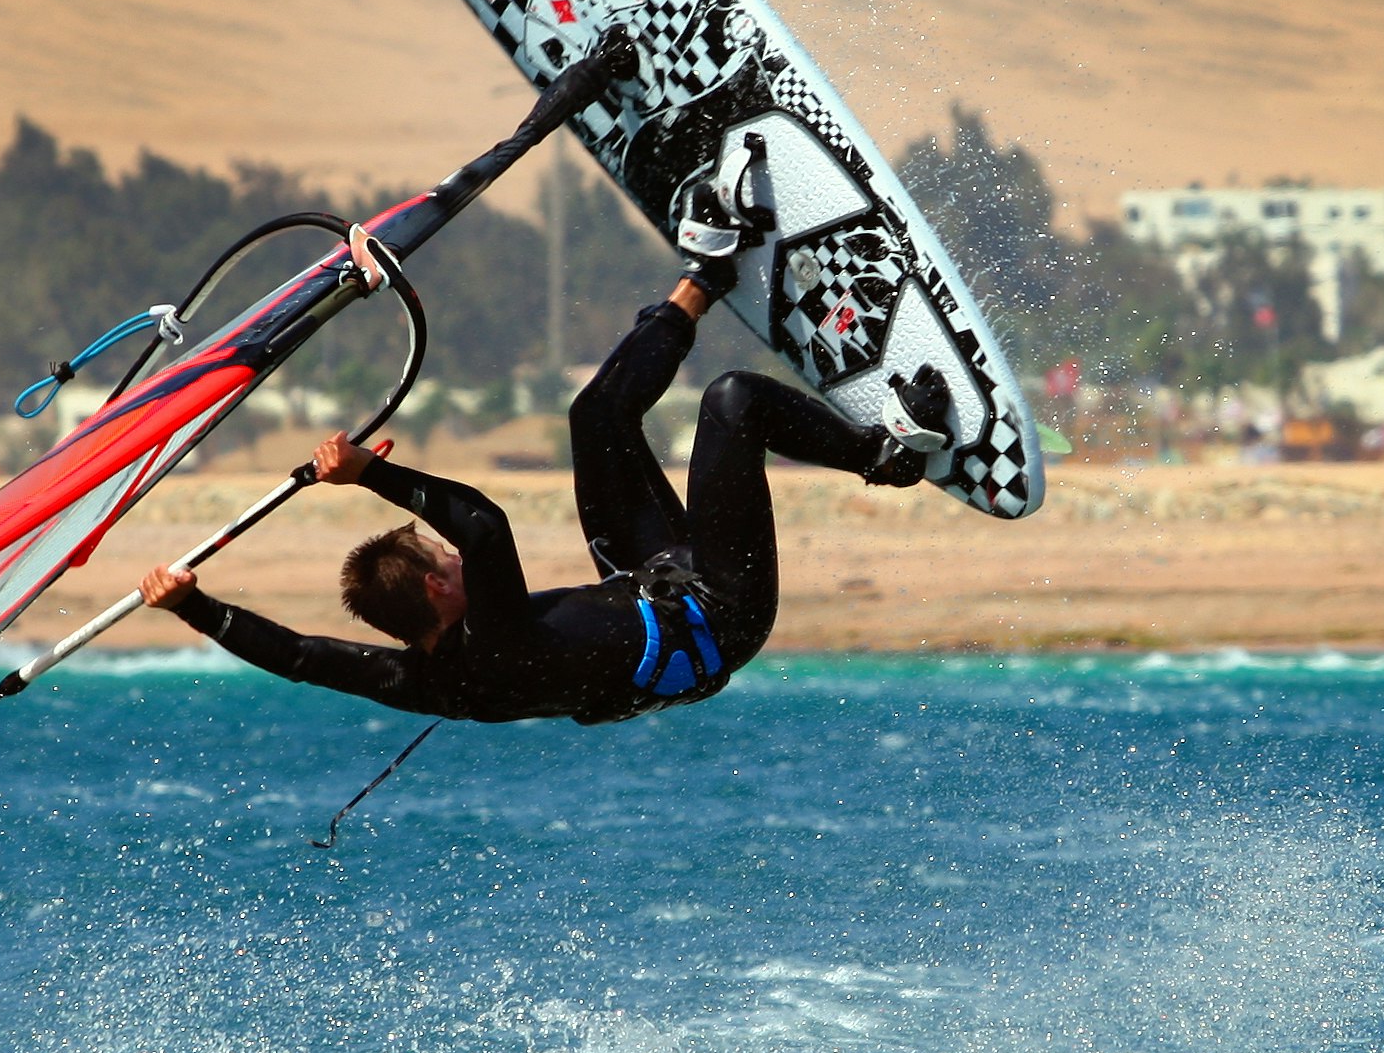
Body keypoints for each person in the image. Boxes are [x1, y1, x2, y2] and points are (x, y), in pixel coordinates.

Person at [137, 193, 954, 724]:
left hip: (654, 579)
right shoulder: (489, 640)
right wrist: (368, 476)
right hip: (721, 611)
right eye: (441, 561)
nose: (452, 557)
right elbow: (484, 525)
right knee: (733, 402)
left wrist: (195, 609)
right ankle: (889, 456)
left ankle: (702, 279)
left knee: (596, 414)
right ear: (435, 589)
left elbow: (303, 658)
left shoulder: (426, 683)